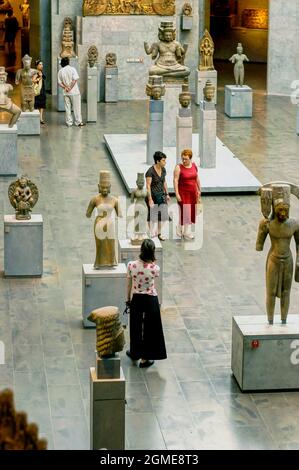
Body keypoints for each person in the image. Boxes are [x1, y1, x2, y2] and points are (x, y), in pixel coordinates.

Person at [256, 183, 299, 325]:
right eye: (280, 210)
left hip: (288, 260)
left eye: (285, 210)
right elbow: (259, 245)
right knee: (271, 292)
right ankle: (270, 319)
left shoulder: (294, 224)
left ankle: (284, 319)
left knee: (286, 292)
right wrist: (262, 230)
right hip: (273, 260)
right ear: (275, 209)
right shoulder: (268, 224)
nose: (282, 213)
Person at [126, 238, 167, 368]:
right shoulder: (155, 268)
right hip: (151, 299)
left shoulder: (131, 265)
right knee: (150, 328)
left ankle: (135, 352)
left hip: (136, 298)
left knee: (135, 326)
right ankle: (145, 358)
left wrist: (128, 299)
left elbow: (129, 284)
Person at [86, 170, 120, 268]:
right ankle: (99, 262)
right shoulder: (95, 199)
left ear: (110, 187)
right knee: (100, 245)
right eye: (102, 187)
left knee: (110, 244)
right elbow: (88, 214)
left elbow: (119, 213)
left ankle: (111, 261)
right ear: (99, 187)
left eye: (106, 187)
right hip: (99, 224)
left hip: (110, 223)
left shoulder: (114, 200)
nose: (104, 190)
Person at [173, 148, 201, 240]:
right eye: (183, 158)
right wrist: (177, 194)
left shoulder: (194, 166)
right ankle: (179, 227)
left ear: (190, 158)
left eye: (186, 159)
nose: (184, 161)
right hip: (183, 193)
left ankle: (186, 231)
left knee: (191, 211)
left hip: (193, 193)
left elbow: (197, 178)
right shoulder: (178, 167)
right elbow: (175, 181)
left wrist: (199, 190)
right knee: (185, 212)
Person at [145, 151, 170, 241]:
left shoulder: (163, 169)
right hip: (152, 196)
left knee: (162, 216)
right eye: (163, 160)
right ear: (157, 161)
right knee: (153, 215)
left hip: (161, 195)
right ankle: (152, 233)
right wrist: (150, 199)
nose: (165, 162)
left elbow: (164, 182)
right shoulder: (150, 172)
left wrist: (167, 193)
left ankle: (159, 233)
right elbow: (148, 186)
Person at [57, 57, 84, 127]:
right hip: (74, 92)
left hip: (66, 92)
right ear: (68, 62)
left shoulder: (60, 71)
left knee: (67, 108)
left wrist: (66, 87)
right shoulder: (72, 69)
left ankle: (69, 122)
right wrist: (70, 87)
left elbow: (59, 83)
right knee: (76, 107)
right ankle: (78, 122)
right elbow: (74, 80)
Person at [32, 59, 46, 124]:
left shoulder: (41, 72)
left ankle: (41, 118)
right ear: (37, 65)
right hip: (37, 90)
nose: (42, 66)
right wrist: (39, 78)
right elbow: (33, 81)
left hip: (42, 89)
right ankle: (37, 118)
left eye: (42, 64)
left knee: (42, 104)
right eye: (40, 64)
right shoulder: (35, 72)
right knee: (37, 104)